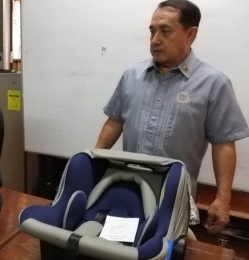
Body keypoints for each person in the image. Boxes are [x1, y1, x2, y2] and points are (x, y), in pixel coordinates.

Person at [95, 0, 249, 235]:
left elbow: (224, 143)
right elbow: (114, 122)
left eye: (165, 31)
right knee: (121, 248)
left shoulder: (214, 83)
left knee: (166, 252)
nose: (155, 40)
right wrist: (92, 165)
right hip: (127, 190)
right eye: (152, 31)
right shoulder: (132, 76)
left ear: (190, 35)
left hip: (174, 197)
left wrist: (223, 198)